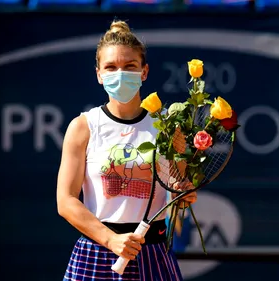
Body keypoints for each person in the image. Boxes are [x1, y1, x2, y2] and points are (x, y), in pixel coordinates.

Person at [56, 20, 197, 281]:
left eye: (130, 66)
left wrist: (184, 192)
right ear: (99, 74)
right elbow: (65, 202)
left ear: (144, 72)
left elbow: (177, 184)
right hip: (96, 252)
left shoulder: (168, 125)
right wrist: (111, 239)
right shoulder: (83, 127)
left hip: (153, 254)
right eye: (110, 67)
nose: (119, 73)